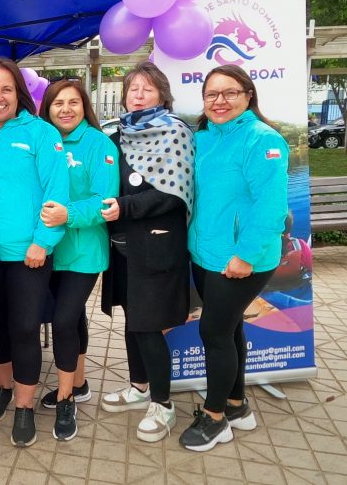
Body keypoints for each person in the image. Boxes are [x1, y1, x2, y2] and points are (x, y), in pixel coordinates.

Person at [179, 65, 289, 452]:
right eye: (212, 94)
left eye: (229, 93)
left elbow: (272, 208)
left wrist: (245, 255)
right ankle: (238, 405)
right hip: (207, 254)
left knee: (214, 332)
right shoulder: (203, 138)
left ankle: (215, 418)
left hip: (242, 260)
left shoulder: (263, 140)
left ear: (248, 95)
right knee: (229, 329)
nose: (219, 101)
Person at [0, 59, 68, 447]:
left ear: (19, 94)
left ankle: (25, 407)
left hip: (29, 254)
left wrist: (41, 243)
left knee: (26, 329)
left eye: (6, 89)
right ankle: (3, 388)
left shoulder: (42, 133)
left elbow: (56, 192)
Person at [99, 61, 194, 443]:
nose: (138, 94)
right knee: (132, 319)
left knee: (148, 325)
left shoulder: (176, 133)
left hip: (156, 246)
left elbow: (175, 194)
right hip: (123, 247)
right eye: (133, 88)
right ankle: (139, 388)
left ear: (162, 94)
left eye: (147, 88)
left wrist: (127, 208)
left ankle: (163, 403)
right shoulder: (117, 134)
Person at [36, 79, 120, 440]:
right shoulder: (43, 141)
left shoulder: (98, 144)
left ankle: (67, 396)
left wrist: (66, 214)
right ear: (47, 108)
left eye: (73, 102)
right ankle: (80, 382)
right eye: (58, 103)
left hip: (84, 252)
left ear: (85, 107)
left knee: (63, 320)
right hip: (49, 249)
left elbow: (106, 202)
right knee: (73, 320)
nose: (66, 109)